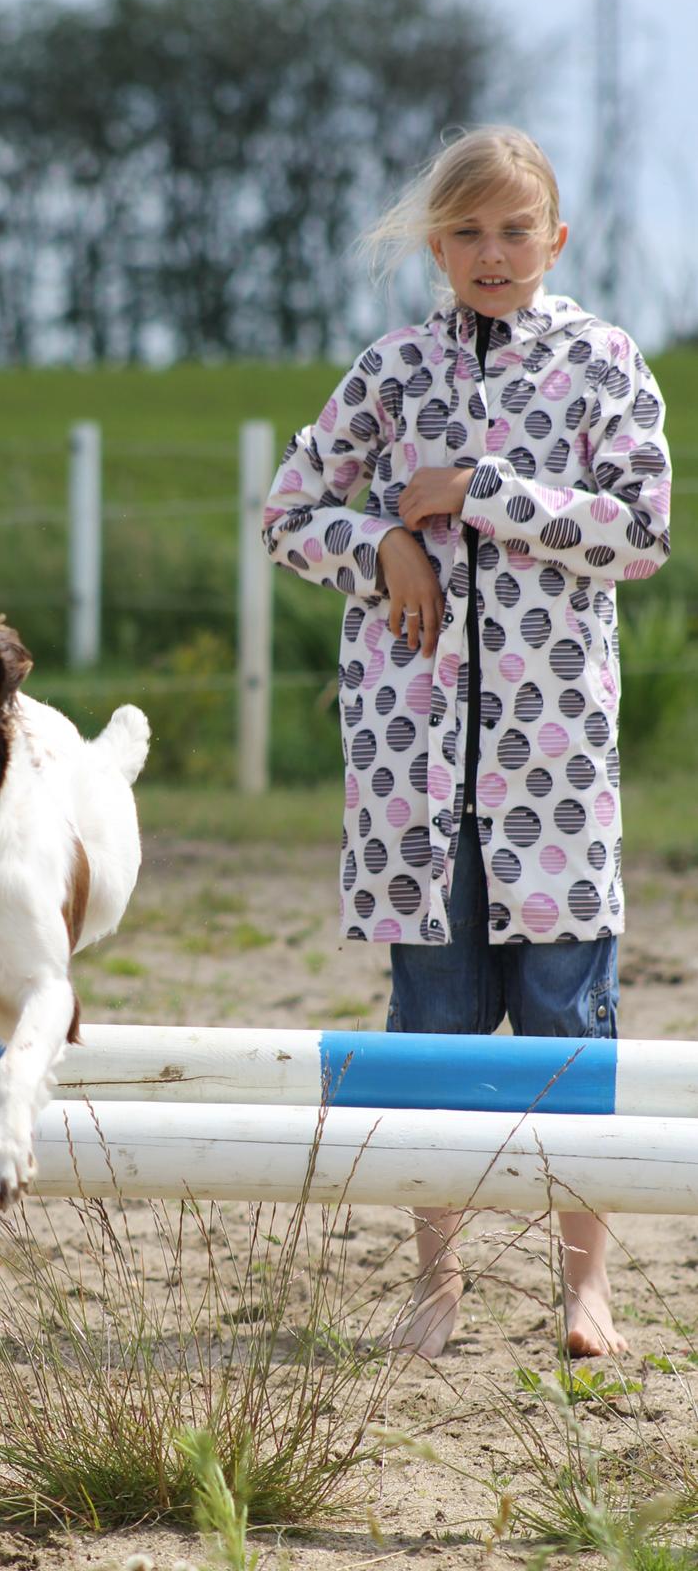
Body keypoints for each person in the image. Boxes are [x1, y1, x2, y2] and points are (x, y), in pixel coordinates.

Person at [262, 126, 671, 1359]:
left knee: (567, 1026)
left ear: (553, 237)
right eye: (465, 232)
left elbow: (638, 530)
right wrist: (379, 544)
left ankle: (582, 1287)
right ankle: (435, 1285)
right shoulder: (386, 373)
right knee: (427, 1028)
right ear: (434, 243)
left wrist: (475, 493)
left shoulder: (605, 365)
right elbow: (288, 511)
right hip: (411, 772)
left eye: (512, 229)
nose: (490, 253)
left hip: (553, 772)